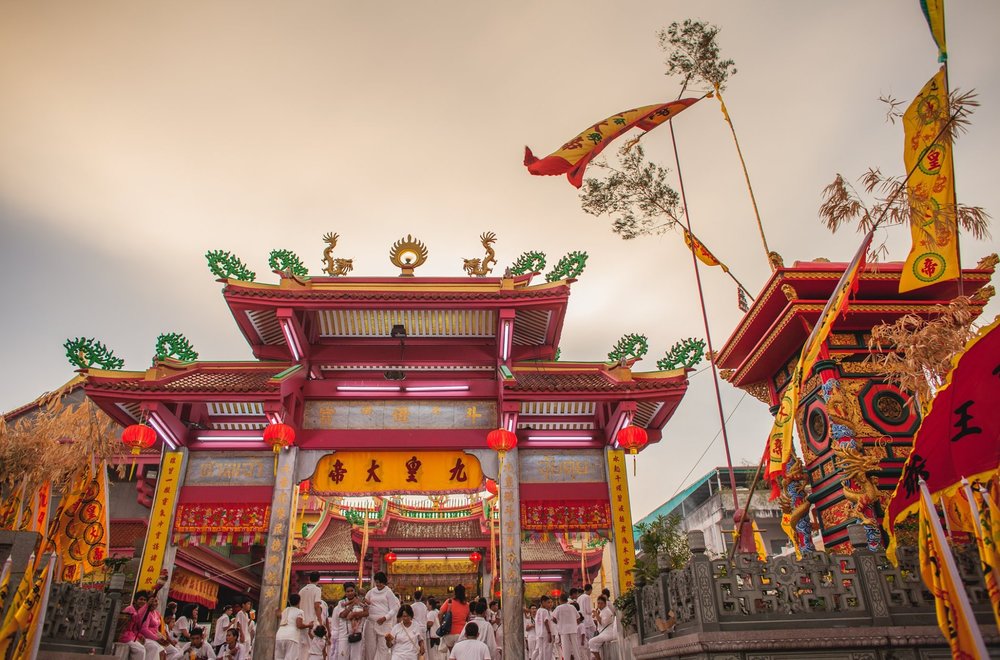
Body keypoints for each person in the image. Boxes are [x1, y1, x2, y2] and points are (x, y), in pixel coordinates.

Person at [365, 572, 400, 660]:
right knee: (370, 647)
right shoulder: (371, 592)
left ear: (384, 582)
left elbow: (394, 609)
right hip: (371, 623)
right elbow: (365, 603)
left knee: (383, 647)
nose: (378, 584)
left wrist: (385, 618)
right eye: (377, 582)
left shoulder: (389, 592)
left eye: (380, 582)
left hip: (384, 623)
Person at [332, 582, 368, 660]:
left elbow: (366, 613)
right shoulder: (341, 603)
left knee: (356, 658)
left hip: (357, 634)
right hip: (344, 635)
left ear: (355, 591)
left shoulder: (361, 601)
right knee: (342, 657)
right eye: (348, 591)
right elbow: (342, 615)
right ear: (345, 592)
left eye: (352, 590)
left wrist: (355, 614)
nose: (350, 593)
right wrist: (352, 605)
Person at [277, 593, 313, 660]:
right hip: (292, 637)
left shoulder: (285, 610)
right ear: (299, 602)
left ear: (289, 601)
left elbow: (279, 615)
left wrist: (277, 611)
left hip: (279, 636)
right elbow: (299, 625)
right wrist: (309, 625)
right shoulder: (299, 612)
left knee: (279, 658)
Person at [439, 585, 470, 653]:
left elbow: (440, 613)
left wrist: (441, 623)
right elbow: (468, 619)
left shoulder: (449, 602)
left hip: (449, 632)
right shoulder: (467, 605)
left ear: (455, 592)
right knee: (460, 655)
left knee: (452, 654)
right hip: (461, 634)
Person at [300, 572, 325, 657]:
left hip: (302, 623)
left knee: (302, 649)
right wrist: (320, 621)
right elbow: (317, 606)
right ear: (319, 579)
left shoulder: (301, 591)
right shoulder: (317, 590)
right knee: (311, 648)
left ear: (309, 579)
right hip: (312, 622)